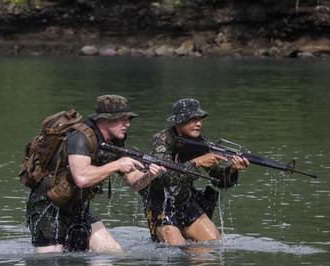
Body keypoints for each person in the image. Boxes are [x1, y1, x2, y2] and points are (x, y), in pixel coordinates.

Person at [26, 95, 166, 253]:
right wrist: (117, 164)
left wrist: (151, 175)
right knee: (50, 264)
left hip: (78, 205)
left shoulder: (115, 141)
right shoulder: (80, 138)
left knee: (113, 253)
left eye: (129, 119)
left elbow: (135, 182)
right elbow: (82, 178)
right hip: (48, 206)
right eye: (122, 119)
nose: (127, 124)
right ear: (104, 120)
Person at [141, 98, 250, 245]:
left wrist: (232, 170)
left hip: (186, 201)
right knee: (177, 249)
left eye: (200, 119)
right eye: (192, 119)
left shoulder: (202, 142)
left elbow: (220, 182)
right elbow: (165, 178)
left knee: (213, 243)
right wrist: (197, 162)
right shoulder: (162, 140)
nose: (198, 123)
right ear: (178, 121)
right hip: (161, 205)